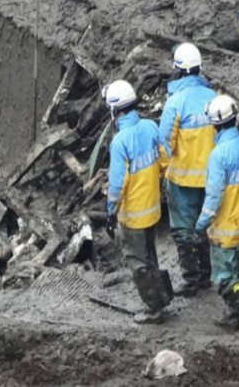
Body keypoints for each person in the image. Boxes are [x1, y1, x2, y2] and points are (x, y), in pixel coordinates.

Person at [195, 95, 239, 335]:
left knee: (225, 279)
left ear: (214, 124)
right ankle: (234, 316)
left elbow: (214, 196)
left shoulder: (218, 155)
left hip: (225, 228)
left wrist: (201, 223)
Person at [103, 80, 172, 324]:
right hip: (153, 210)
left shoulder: (120, 141)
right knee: (151, 256)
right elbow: (165, 160)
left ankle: (154, 309)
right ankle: (163, 297)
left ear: (114, 111)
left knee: (138, 263)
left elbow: (118, 184)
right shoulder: (150, 128)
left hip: (133, 215)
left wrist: (111, 212)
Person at [159, 42, 217, 296]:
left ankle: (190, 280)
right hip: (211, 179)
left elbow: (164, 146)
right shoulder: (215, 98)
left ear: (177, 70)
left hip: (182, 180)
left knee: (183, 230)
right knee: (204, 227)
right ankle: (206, 276)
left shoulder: (175, 103)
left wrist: (162, 173)